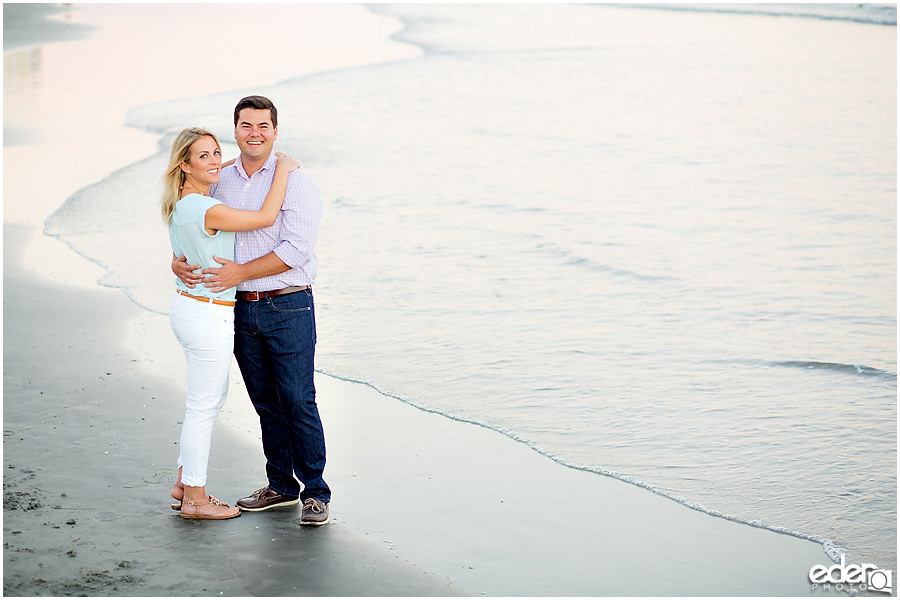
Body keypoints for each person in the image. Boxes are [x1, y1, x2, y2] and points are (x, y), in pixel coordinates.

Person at [172, 96, 330, 526]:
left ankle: (315, 493)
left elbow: (297, 248)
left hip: (289, 303)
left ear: (275, 130)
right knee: (264, 402)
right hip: (238, 307)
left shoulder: (293, 179)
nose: (254, 133)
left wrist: (242, 270)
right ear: (235, 130)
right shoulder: (219, 179)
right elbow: (194, 225)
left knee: (298, 399)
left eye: (263, 125)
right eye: (246, 125)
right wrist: (177, 261)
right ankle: (281, 486)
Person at [163, 126, 299, 520]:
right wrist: (284, 171)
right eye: (203, 156)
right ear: (184, 165)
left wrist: (175, 264)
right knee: (203, 408)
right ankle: (196, 499)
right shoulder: (206, 208)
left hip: (190, 307)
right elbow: (265, 217)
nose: (215, 161)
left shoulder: (182, 205)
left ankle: (184, 480)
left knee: (205, 402)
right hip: (207, 312)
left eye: (216, 153)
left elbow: (181, 256)